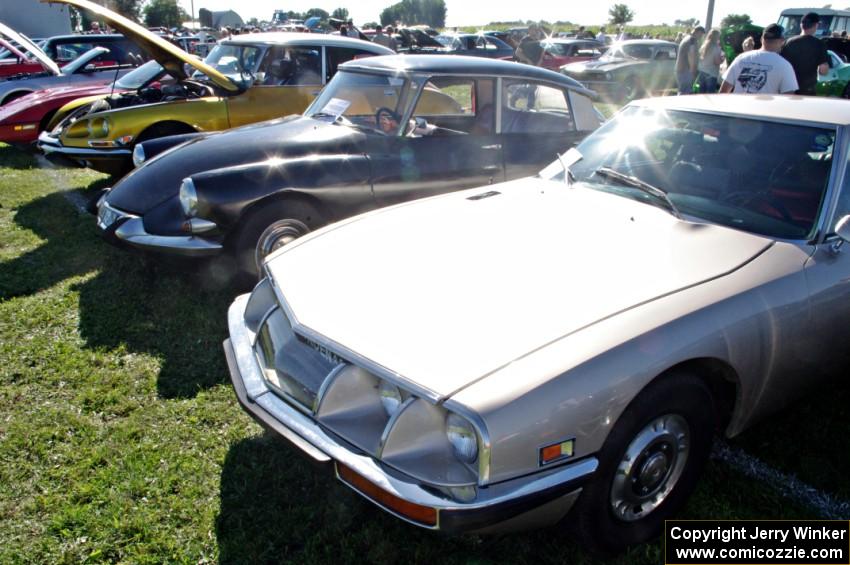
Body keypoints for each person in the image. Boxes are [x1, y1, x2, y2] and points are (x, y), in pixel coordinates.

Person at [720, 24, 798, 94]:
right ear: (782, 41)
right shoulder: (785, 66)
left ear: (762, 39)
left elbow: (724, 91)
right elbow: (788, 98)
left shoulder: (741, 58)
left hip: (737, 109)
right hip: (765, 110)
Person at [781, 12, 829, 96]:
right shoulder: (819, 44)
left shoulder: (788, 42)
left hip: (787, 88)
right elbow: (823, 71)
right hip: (807, 90)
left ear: (801, 25)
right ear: (816, 25)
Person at [676, 26, 706, 94]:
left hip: (681, 68)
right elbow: (691, 55)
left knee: (682, 90)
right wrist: (693, 70)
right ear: (698, 32)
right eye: (701, 34)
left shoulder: (686, 38)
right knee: (686, 92)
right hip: (686, 70)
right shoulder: (692, 40)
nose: (701, 36)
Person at [697, 28, 724, 93]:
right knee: (709, 95)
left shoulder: (703, 45)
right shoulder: (716, 47)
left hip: (702, 72)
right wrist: (723, 59)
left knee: (701, 94)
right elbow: (716, 62)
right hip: (711, 74)